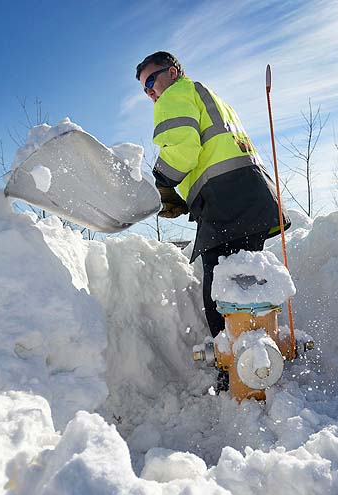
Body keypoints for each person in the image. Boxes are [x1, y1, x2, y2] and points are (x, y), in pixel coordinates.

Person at [136, 51, 289, 388]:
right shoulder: (205, 94)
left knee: (220, 287)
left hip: (226, 199)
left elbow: (184, 149)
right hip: (253, 193)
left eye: (152, 80)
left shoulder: (174, 95)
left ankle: (236, 369)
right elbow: (208, 150)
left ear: (173, 72)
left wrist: (159, 183)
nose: (150, 91)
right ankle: (262, 359)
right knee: (250, 280)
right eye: (144, 88)